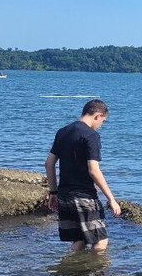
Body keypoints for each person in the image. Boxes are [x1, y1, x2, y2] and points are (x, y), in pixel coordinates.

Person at [45, 99, 121, 251]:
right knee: (100, 241)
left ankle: (73, 266)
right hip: (84, 196)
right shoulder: (91, 135)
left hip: (64, 196)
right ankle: (95, 267)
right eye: (103, 121)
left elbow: (49, 163)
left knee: (78, 241)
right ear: (97, 115)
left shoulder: (63, 132)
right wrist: (111, 199)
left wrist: (53, 192)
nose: (101, 125)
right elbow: (94, 170)